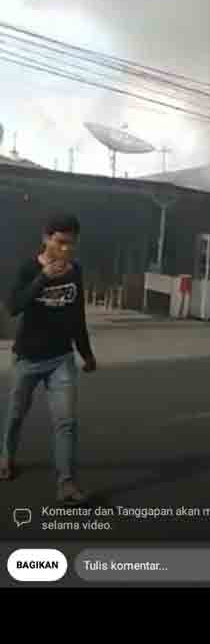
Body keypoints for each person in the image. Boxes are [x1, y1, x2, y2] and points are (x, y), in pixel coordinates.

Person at [0, 213, 97, 503]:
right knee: (16, 415)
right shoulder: (28, 269)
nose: (66, 249)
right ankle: (6, 457)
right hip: (27, 358)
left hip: (61, 359)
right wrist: (43, 278)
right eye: (60, 242)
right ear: (46, 238)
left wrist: (86, 354)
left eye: (71, 244)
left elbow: (77, 316)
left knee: (66, 422)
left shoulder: (75, 271)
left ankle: (66, 483)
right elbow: (14, 307)